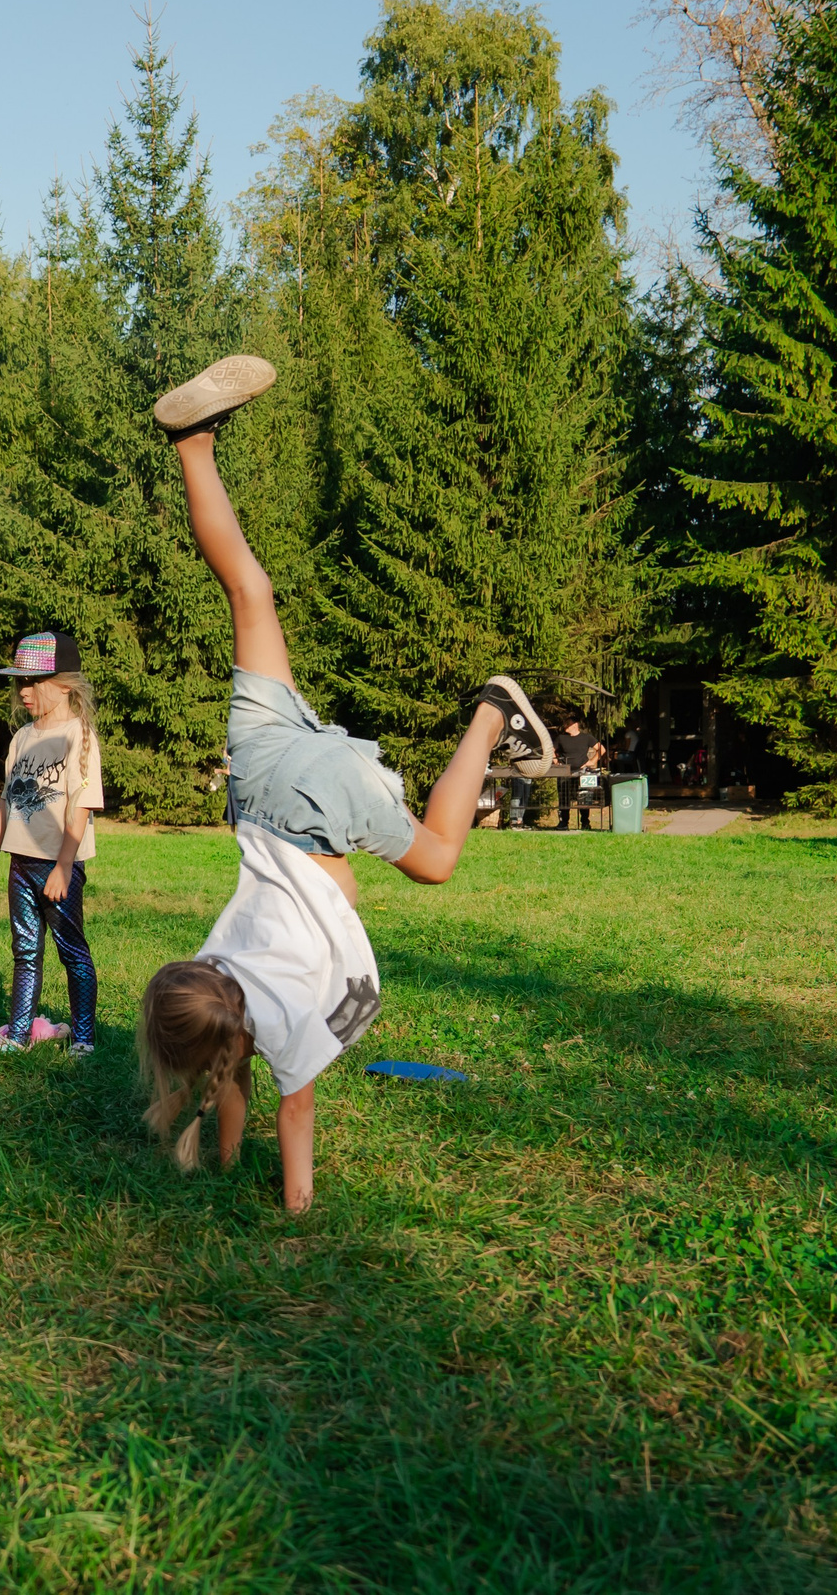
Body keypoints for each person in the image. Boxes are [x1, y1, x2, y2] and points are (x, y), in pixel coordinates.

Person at [135, 357, 559, 1212]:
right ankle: (191, 444)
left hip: (321, 804)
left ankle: (491, 716)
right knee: (250, 594)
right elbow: (226, 1082)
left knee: (436, 857)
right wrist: (213, 1154)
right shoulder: (216, 967)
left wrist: (297, 1213)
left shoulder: (281, 1028)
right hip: (260, 778)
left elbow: (290, 1111)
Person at [0, 631, 105, 1056]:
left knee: (73, 953)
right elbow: (6, 803)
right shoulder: (22, 738)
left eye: (33, 682)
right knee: (25, 952)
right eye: (19, 683)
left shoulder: (77, 735)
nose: (23, 692)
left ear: (64, 684)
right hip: (20, 865)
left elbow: (80, 807)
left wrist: (65, 865)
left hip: (56, 866)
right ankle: (17, 1036)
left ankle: (83, 1040)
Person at [550, 709, 609, 830]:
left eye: (568, 724)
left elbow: (601, 749)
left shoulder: (586, 737)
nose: (565, 726)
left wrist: (592, 761)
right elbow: (551, 750)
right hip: (565, 771)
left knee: (584, 797)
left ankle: (585, 823)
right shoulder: (561, 738)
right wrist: (556, 762)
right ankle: (564, 823)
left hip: (583, 771)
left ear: (575, 725)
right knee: (564, 797)